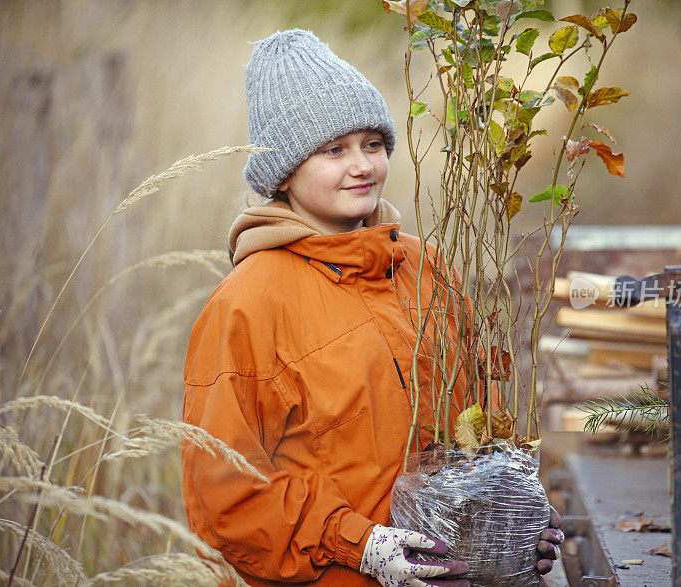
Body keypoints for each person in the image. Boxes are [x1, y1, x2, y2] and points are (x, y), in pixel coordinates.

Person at [181, 29, 563, 586]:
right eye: (333, 150)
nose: (361, 164)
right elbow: (226, 499)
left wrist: (513, 509)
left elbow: (478, 424)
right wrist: (362, 545)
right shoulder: (247, 306)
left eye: (372, 144)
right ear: (283, 172)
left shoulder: (424, 266)